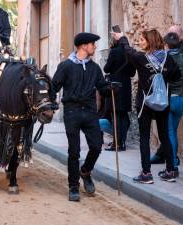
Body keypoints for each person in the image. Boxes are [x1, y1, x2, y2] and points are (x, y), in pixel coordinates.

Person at [112, 29, 180, 184]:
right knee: (164, 136)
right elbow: (177, 75)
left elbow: (128, 51)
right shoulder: (166, 58)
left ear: (150, 41)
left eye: (142, 39)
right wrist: (163, 76)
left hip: (145, 102)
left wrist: (122, 37)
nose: (140, 42)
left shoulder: (142, 58)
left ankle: (146, 173)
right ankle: (170, 170)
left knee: (144, 137)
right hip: (163, 101)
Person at [50, 32, 108, 201]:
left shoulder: (94, 68)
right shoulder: (66, 66)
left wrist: (111, 88)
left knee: (97, 146)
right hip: (72, 111)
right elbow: (54, 86)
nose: (94, 47)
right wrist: (51, 101)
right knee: (73, 151)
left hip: (90, 111)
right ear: (83, 46)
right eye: (92, 44)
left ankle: (86, 171)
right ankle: (73, 187)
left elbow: (102, 87)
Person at [151, 25, 183, 164]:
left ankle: (172, 162)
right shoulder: (170, 54)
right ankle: (165, 155)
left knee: (169, 131)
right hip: (178, 98)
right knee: (170, 130)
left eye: (173, 35)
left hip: (174, 97)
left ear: (180, 37)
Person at [154, 32, 183, 177]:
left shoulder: (166, 58)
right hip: (181, 98)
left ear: (166, 45)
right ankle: (172, 162)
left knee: (169, 135)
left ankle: (173, 166)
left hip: (170, 98)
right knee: (172, 133)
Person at [100, 38, 136, 151]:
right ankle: (122, 142)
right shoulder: (130, 52)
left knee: (116, 116)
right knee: (123, 115)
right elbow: (132, 72)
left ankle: (117, 143)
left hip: (115, 86)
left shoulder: (114, 52)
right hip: (126, 87)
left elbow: (106, 69)